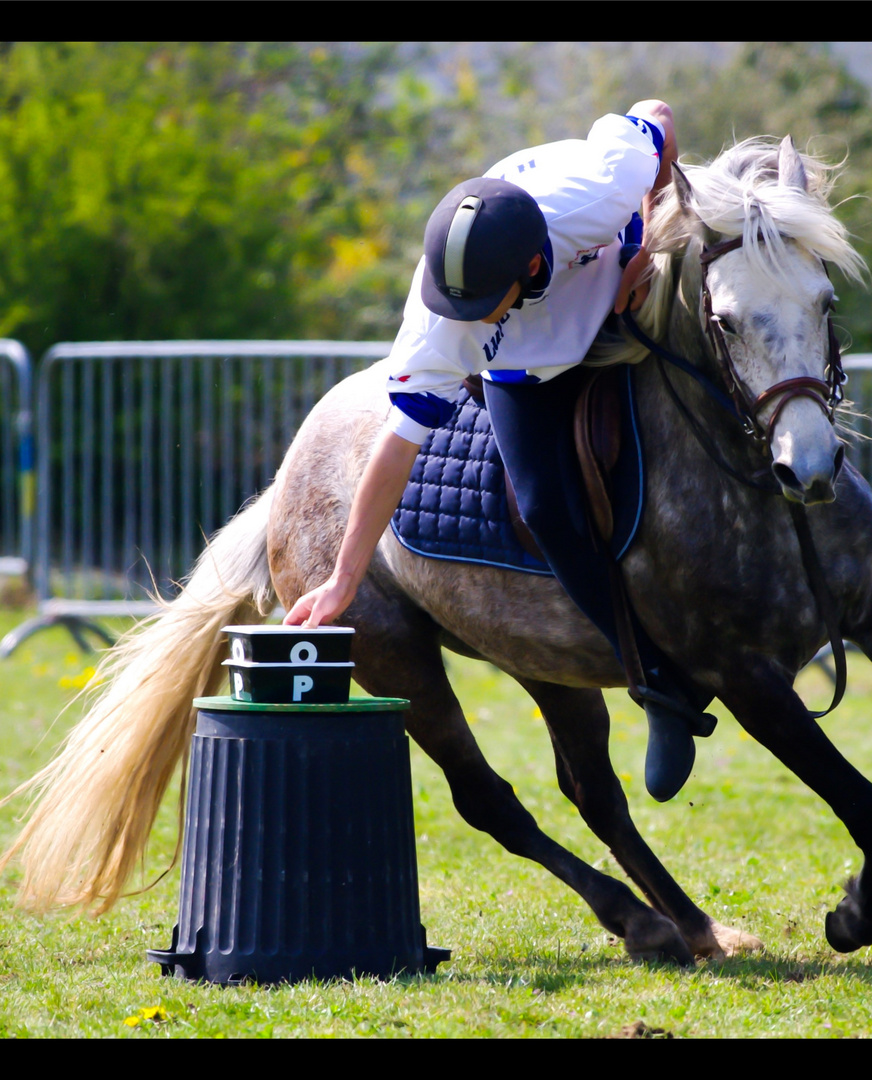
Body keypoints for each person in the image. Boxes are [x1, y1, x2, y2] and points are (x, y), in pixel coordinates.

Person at [284, 100, 715, 801]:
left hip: (621, 297)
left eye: (482, 300)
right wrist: (341, 577)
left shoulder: (600, 187)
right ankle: (657, 684)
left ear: (536, 263)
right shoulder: (438, 322)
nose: (461, 316)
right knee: (544, 505)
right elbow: (394, 451)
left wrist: (650, 243)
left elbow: (656, 116)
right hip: (526, 371)